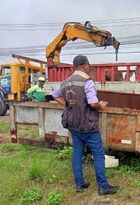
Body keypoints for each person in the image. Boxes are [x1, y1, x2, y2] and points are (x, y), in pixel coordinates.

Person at [51, 54, 119, 196]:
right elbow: (93, 103)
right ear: (85, 66)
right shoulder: (87, 82)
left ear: (74, 67)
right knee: (99, 154)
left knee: (77, 153)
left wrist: (67, 104)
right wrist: (100, 105)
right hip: (88, 126)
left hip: (73, 125)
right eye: (88, 65)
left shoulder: (66, 83)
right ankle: (103, 186)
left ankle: (79, 184)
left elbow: (55, 95)